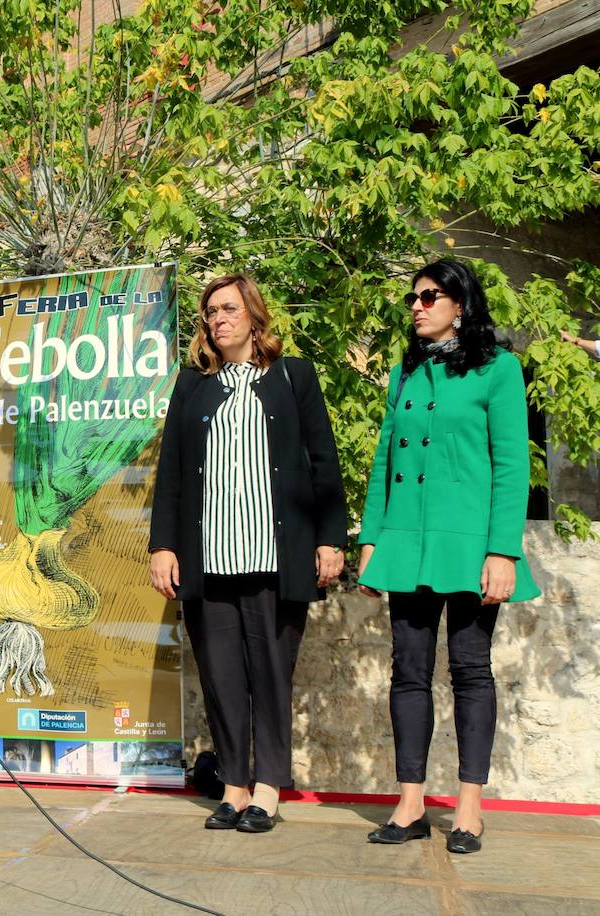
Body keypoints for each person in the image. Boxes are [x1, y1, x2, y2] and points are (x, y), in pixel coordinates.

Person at [149, 273, 347, 834]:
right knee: (221, 676)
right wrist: (163, 544)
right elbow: (172, 475)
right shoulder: (193, 385)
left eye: (229, 309)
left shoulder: (293, 377)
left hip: (274, 555)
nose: (219, 320)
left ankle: (267, 788)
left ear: (253, 315)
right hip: (208, 557)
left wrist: (331, 538)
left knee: (271, 674)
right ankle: (234, 785)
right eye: (211, 312)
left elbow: (323, 463)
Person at [358, 258, 540, 855]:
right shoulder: (403, 373)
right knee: (407, 671)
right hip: (407, 543)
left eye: (430, 296)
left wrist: (502, 552)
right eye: (413, 297)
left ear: (460, 304)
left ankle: (468, 807)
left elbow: (513, 466)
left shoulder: (499, 369)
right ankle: (410, 803)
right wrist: (372, 540)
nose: (417, 305)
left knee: (469, 669)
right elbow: (385, 459)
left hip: (468, 546)